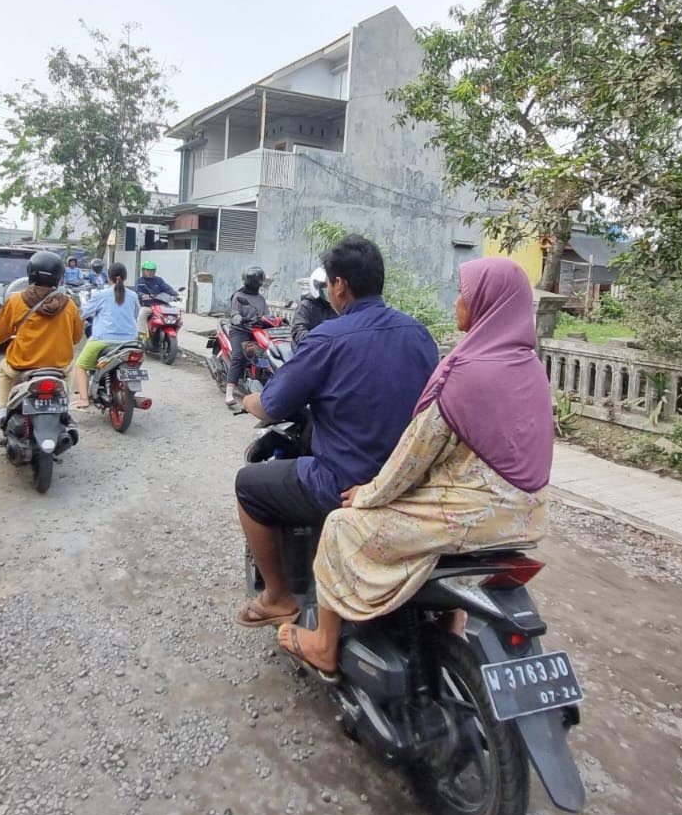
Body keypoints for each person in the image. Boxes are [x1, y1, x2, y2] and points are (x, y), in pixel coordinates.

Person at [275, 257, 554, 674]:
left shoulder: (465, 370)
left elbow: (413, 455)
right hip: (525, 516)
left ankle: (323, 644)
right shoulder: (529, 367)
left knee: (339, 525)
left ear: (486, 303)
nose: (458, 302)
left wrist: (365, 495)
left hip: (470, 515)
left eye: (464, 294)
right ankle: (449, 631)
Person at [233, 235, 439, 627]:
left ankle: (277, 597)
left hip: (345, 482)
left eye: (330, 283)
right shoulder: (419, 334)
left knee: (249, 484)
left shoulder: (328, 337)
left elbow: (273, 404)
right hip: (409, 480)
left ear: (340, 284)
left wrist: (246, 401)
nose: (329, 290)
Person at [0, 250, 82, 404]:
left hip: (21, 367)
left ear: (30, 273)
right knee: (71, 367)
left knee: (3, 370)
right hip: (58, 369)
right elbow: (77, 337)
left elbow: (0, 335)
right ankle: (64, 409)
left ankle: (3, 411)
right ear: (58, 277)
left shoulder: (16, 300)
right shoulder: (69, 304)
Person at [74, 262, 139, 409]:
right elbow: (135, 315)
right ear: (125, 277)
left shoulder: (100, 295)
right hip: (131, 341)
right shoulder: (133, 295)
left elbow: (83, 313)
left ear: (108, 277)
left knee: (80, 366)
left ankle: (84, 399)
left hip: (103, 340)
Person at [223, 265, 270, 407]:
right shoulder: (239, 295)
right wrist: (240, 319)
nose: (256, 283)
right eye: (253, 280)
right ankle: (229, 393)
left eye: (258, 280)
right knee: (238, 357)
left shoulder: (260, 298)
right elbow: (234, 313)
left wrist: (274, 320)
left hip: (257, 331)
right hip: (240, 330)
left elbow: (266, 315)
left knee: (268, 354)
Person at [291, 265, 336, 347]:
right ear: (316, 286)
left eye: (329, 286)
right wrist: (315, 341)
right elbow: (298, 330)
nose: (328, 289)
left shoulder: (335, 307)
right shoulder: (306, 305)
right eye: (324, 286)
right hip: (306, 347)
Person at [135, 259, 177, 338]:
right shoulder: (140, 281)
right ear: (143, 270)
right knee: (141, 314)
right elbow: (137, 291)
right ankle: (142, 335)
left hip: (160, 306)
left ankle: (170, 330)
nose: (150, 272)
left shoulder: (159, 280)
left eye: (152, 270)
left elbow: (167, 288)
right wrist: (142, 295)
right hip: (148, 306)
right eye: (148, 270)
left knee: (173, 313)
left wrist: (176, 294)